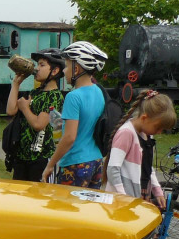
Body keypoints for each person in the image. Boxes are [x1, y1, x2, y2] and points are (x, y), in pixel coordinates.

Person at [40, 41, 108, 185]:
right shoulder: (99, 91)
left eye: (66, 65)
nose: (64, 71)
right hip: (96, 161)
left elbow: (70, 137)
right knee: (87, 207)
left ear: (76, 69)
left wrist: (51, 163)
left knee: (67, 207)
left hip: (75, 163)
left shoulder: (73, 96)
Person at [103, 90, 176, 207]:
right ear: (144, 118)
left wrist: (157, 191)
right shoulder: (126, 133)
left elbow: (147, 167)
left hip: (138, 197)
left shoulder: (147, 135)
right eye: (158, 128)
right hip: (121, 201)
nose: (159, 132)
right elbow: (112, 170)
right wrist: (123, 197)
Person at [6, 48, 66, 180]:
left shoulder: (54, 97)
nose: (37, 68)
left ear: (54, 71)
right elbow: (11, 110)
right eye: (37, 64)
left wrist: (25, 108)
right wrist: (16, 84)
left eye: (42, 65)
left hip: (40, 159)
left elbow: (39, 125)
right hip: (22, 156)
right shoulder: (35, 93)